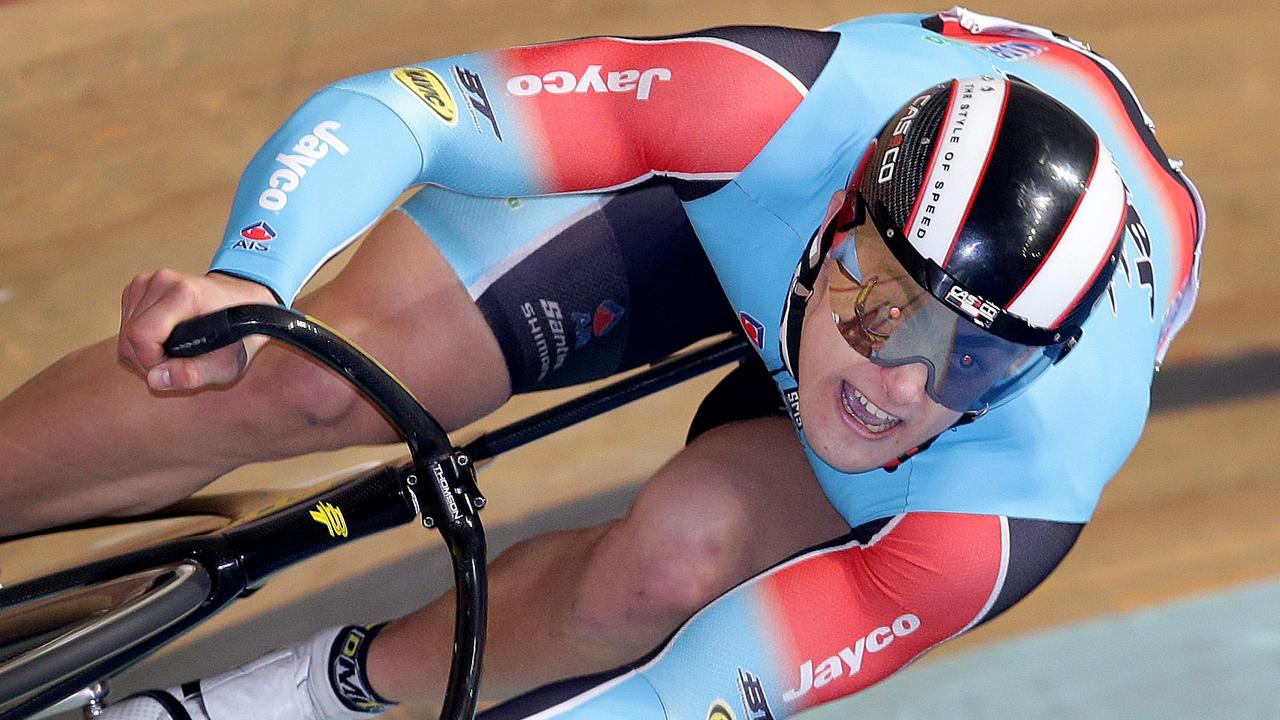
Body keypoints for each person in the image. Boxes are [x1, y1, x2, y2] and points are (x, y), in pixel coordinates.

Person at [0, 7, 1203, 720]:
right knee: (306, 373)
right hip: (748, 210)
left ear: (1034, 367)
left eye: (974, 367)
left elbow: (668, 703)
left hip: (896, 318)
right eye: (885, 311)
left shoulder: (1014, 489)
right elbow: (411, 108)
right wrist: (251, 276)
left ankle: (285, 697)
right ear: (839, 220)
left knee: (668, 570)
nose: (899, 388)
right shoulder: (765, 114)